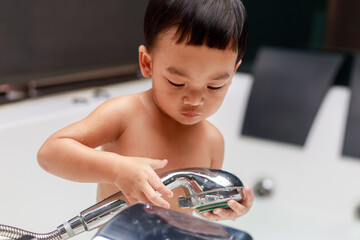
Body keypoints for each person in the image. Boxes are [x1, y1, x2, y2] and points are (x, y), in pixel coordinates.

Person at [37, 0, 254, 221]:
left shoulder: (213, 142)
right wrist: (116, 169)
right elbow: (49, 154)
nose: (195, 100)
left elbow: (201, 212)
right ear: (147, 63)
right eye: (177, 83)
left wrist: (226, 209)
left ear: (233, 72)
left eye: (214, 86)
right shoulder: (125, 114)